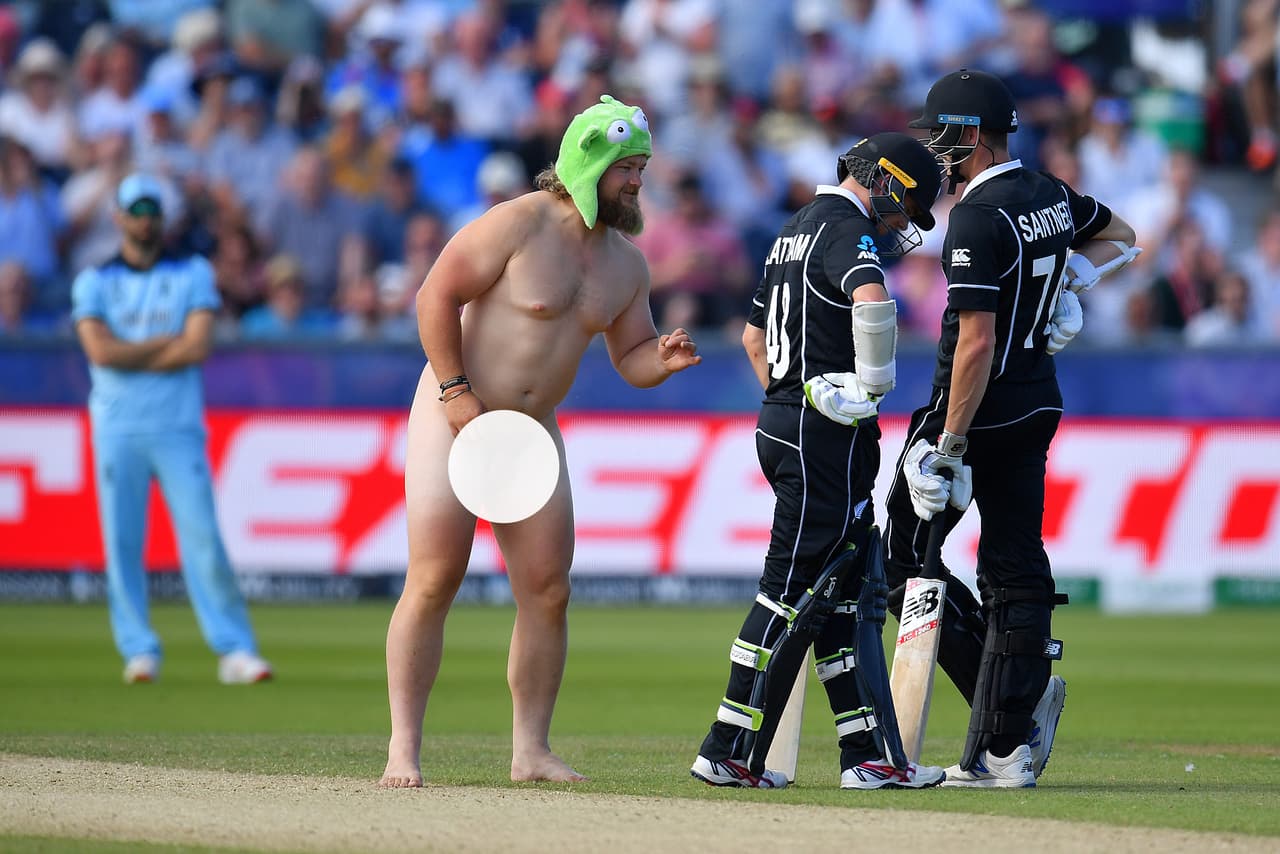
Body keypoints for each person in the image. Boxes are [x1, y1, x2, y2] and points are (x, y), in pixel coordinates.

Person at [379, 94, 701, 788]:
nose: (638, 183)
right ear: (588, 162)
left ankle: (531, 751)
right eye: (627, 169)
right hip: (454, 411)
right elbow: (434, 295)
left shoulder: (626, 265)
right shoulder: (516, 224)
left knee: (548, 590)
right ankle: (403, 749)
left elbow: (632, 355)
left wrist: (662, 360)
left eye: (642, 168)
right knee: (434, 579)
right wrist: (455, 391)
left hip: (529, 433)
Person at [884, 69, 1139, 788]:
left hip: (973, 409)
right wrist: (1071, 283)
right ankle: (1006, 745)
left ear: (969, 136)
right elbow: (1123, 237)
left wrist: (949, 443)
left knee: (903, 562)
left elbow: (974, 342)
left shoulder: (976, 215)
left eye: (942, 137)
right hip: (1036, 401)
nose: (935, 152)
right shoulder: (1051, 195)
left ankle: (1009, 724)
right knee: (1016, 563)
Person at [691, 132, 948, 790]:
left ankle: (865, 756)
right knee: (789, 592)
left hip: (793, 422)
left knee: (835, 597)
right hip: (821, 436)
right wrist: (870, 386)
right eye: (904, 207)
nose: (900, 225)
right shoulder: (844, 229)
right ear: (884, 180)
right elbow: (872, 299)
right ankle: (725, 747)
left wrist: (788, 397)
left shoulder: (791, 231)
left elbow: (754, 339)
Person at [71, 173, 273, 686]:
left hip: (177, 428)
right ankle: (139, 649)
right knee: (122, 543)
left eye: (151, 208)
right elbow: (99, 351)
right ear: (117, 216)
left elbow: (197, 346)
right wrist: (164, 344)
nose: (144, 218)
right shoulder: (94, 280)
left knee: (203, 539)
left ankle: (235, 649)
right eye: (134, 209)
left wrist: (128, 352)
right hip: (117, 428)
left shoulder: (192, 273)